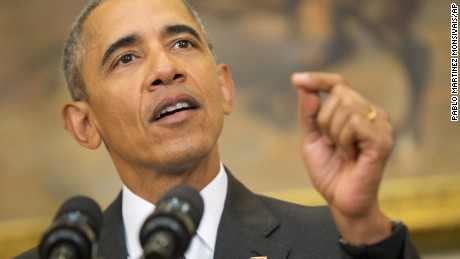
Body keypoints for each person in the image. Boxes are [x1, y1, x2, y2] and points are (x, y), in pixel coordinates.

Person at [17, 0, 420, 258]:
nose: (165, 69)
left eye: (182, 45)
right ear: (84, 125)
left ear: (225, 89)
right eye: (125, 58)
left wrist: (364, 222)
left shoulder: (336, 243)